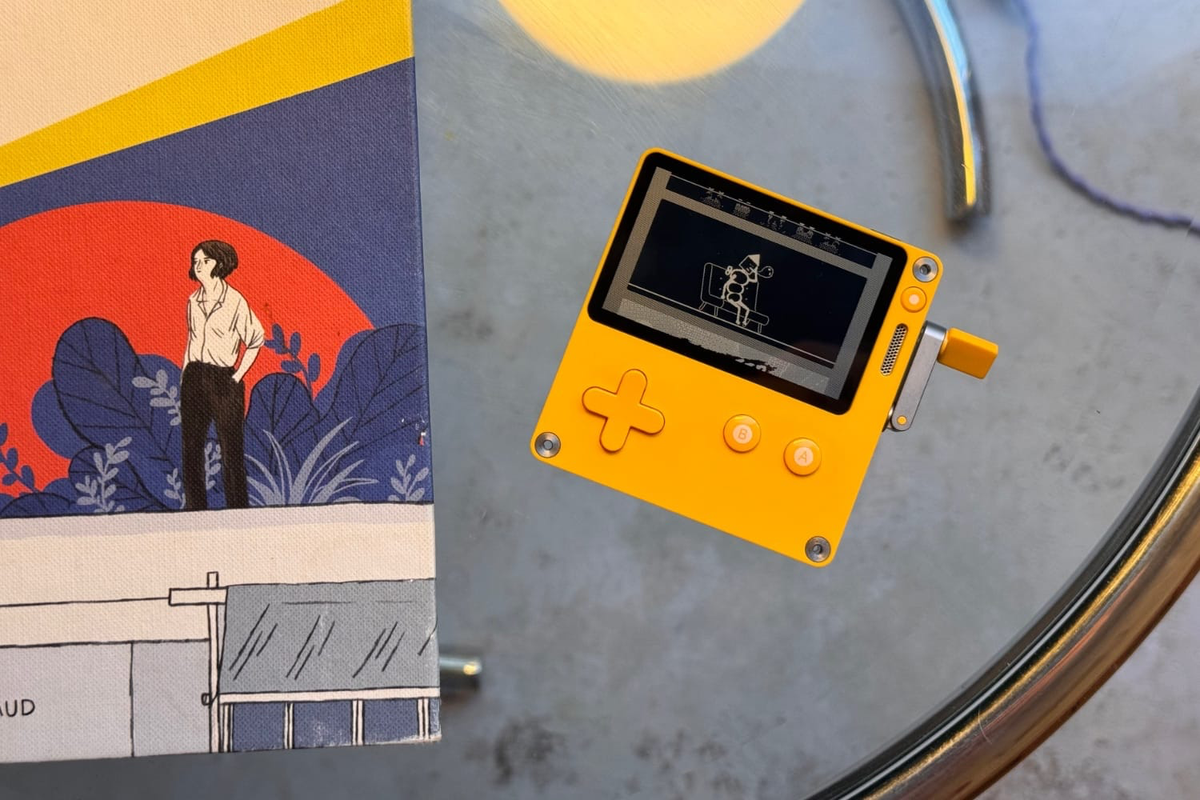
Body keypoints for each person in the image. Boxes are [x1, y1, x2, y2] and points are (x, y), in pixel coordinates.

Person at [181, 240, 264, 510]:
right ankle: (195, 510)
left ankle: (237, 510)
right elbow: (192, 341)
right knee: (191, 448)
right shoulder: (193, 301)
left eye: (205, 261)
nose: (198, 266)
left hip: (224, 379)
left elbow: (256, 339)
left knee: (231, 450)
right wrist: (185, 375)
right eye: (196, 261)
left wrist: (237, 376)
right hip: (194, 375)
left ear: (220, 263)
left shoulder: (234, 301)